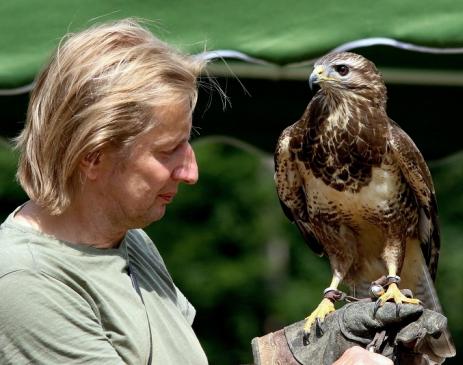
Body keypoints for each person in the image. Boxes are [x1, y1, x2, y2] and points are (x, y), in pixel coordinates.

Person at [0, 19, 395, 364]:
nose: (191, 171)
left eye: (188, 144)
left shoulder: (128, 239)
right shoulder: (25, 282)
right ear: (93, 157)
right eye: (168, 150)